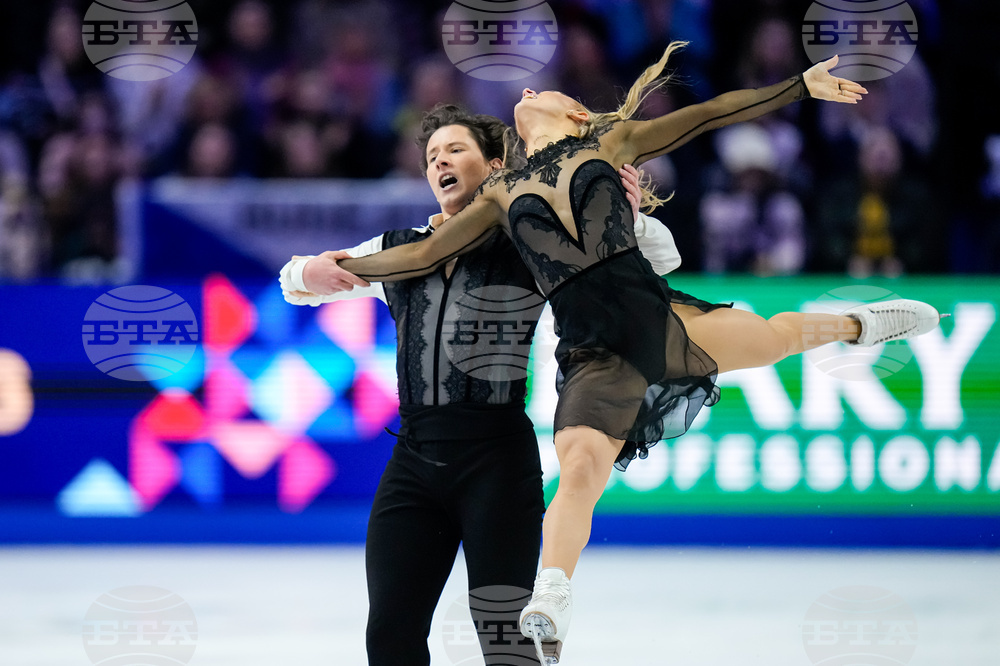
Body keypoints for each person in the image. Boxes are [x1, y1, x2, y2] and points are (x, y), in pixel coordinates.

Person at [325, 45, 944, 664]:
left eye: (540, 93)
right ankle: (552, 592)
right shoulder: (500, 197)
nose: (525, 94)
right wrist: (342, 268)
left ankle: (858, 325)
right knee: (581, 467)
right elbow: (420, 256)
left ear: (573, 114)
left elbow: (711, 114)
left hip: (659, 318)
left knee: (775, 338)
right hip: (596, 355)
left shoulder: (610, 145)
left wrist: (800, 87)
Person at [280, 104, 683, 665]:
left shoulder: (529, 243)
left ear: (495, 167)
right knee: (390, 637)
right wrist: (307, 273)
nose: (440, 162)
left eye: (455, 150)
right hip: (414, 466)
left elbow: (663, 258)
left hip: (497, 464)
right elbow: (296, 280)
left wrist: (625, 216)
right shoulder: (398, 248)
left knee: (508, 643)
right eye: (431, 157)